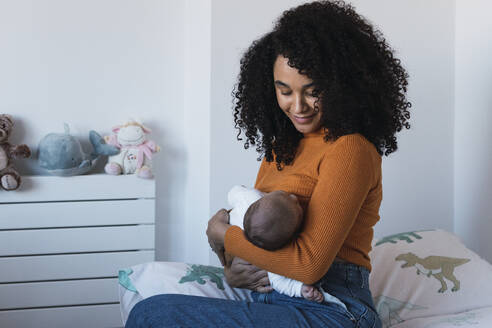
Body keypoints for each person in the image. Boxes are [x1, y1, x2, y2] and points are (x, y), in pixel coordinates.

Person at [126, 1, 410, 327]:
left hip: (332, 310)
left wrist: (220, 232)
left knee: (155, 314)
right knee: (150, 305)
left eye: (313, 91)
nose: (298, 105)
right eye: (284, 91)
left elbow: (308, 267)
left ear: (342, 85)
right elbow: (254, 242)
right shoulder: (280, 149)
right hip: (271, 302)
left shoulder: (350, 149)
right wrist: (232, 269)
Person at [228, 185, 346, 305]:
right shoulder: (250, 197)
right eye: (286, 195)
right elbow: (279, 283)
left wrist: (300, 289)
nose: (294, 197)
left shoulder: (274, 256)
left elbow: (234, 191)